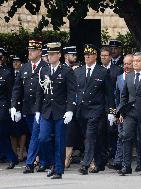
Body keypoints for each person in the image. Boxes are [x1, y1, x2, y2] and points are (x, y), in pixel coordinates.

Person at [36, 42, 77, 179]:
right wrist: (37, 110)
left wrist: (70, 109)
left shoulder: (66, 71)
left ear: (59, 55)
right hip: (46, 110)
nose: (50, 57)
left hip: (61, 110)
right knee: (43, 138)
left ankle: (58, 170)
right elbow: (40, 92)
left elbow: (72, 91)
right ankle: (53, 163)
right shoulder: (44, 70)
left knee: (60, 141)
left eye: (53, 54)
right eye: (49, 55)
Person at [76, 44, 116, 175]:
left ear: (95, 56)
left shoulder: (103, 72)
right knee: (93, 138)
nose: (87, 57)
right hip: (82, 110)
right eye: (85, 55)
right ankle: (101, 160)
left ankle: (85, 164)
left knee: (90, 136)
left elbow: (109, 94)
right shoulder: (78, 71)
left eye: (90, 54)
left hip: (96, 109)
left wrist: (111, 111)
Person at [11, 40, 48, 173]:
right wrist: (15, 106)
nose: (30, 53)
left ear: (39, 52)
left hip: (42, 108)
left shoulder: (45, 66)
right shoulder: (24, 67)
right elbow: (17, 88)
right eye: (29, 50)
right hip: (27, 108)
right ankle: (43, 161)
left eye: (32, 51)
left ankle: (30, 163)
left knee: (37, 135)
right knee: (36, 135)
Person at [117, 52, 141, 175]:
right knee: (126, 137)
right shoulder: (129, 76)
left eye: (138, 61)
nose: (134, 63)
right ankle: (126, 166)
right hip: (130, 112)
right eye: (133, 61)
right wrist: (121, 112)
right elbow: (124, 96)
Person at [107, 54, 134, 171]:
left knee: (135, 138)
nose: (126, 66)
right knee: (120, 136)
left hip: (133, 111)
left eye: (129, 63)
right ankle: (118, 161)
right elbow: (116, 98)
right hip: (121, 112)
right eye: (125, 64)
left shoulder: (136, 77)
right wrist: (116, 113)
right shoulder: (119, 78)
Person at [100, 46, 123, 161]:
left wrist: (114, 109)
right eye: (102, 56)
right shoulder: (98, 69)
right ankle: (103, 154)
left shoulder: (117, 70)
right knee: (101, 129)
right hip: (100, 104)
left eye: (106, 56)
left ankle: (114, 153)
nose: (103, 58)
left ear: (110, 57)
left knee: (112, 130)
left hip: (113, 103)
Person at [62, 45, 81, 168]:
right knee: (65, 133)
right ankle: (65, 158)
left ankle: (70, 156)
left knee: (73, 132)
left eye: (75, 55)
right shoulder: (62, 68)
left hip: (77, 105)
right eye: (72, 55)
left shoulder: (78, 68)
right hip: (63, 106)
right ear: (65, 56)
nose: (75, 56)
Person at [0, 47, 19, 169]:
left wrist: (13, 107)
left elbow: (12, 92)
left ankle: (12, 157)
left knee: (2, 134)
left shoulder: (6, 73)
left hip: (2, 107)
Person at [10, 55, 28, 162]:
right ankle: (14, 154)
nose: (15, 64)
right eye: (14, 62)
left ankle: (21, 152)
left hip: (22, 105)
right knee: (12, 132)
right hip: (12, 106)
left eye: (17, 62)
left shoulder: (24, 72)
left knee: (22, 131)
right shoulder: (9, 74)